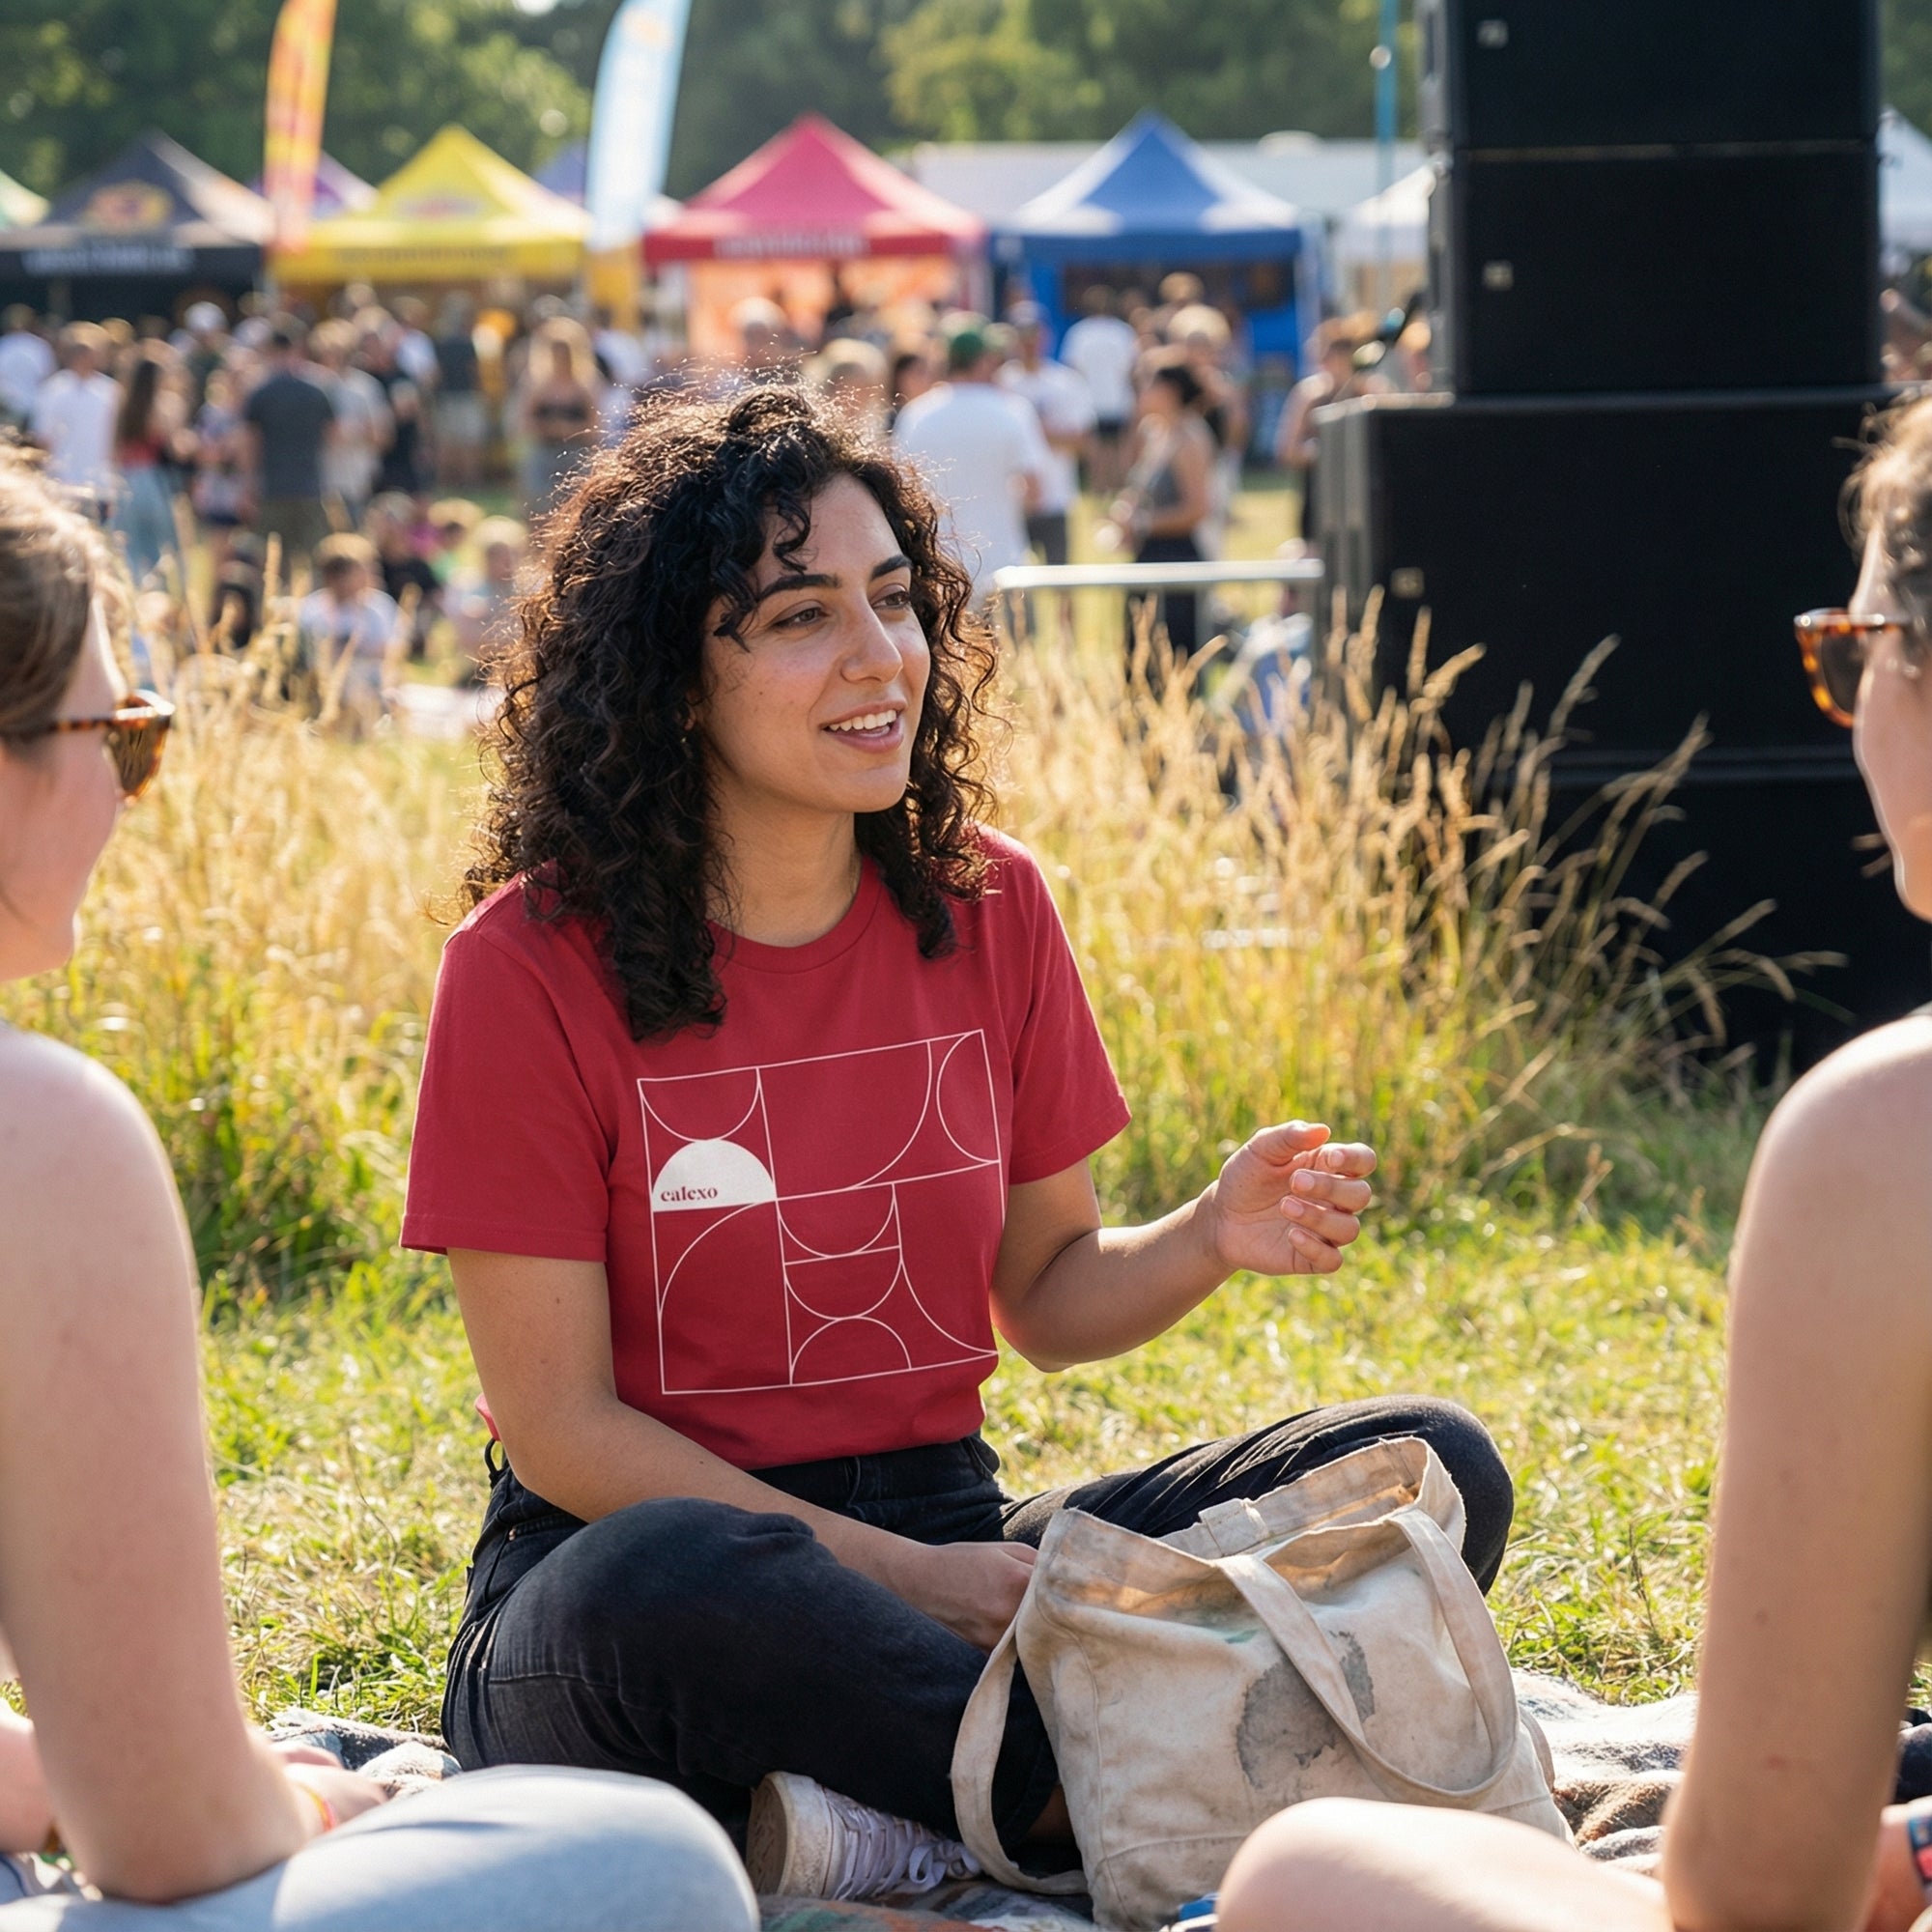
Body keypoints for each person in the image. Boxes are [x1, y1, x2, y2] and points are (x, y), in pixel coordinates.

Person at [400, 385, 1514, 1908]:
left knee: (1423, 1467)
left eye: (895, 599)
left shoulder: (994, 907)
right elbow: (566, 1435)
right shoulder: (526, 967)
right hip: (638, 1585)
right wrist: (915, 1587)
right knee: (667, 1585)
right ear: (671, 678)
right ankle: (1160, 1774)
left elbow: (1046, 1297)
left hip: (958, 1545)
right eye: (799, 617)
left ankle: (946, 1808)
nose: (880, 658)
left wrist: (1203, 1236)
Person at [0, 446, 759, 1932]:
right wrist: (319, 1804)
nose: (130, 792)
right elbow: (171, 1843)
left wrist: (36, 1782)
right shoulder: (41, 1143)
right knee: (648, 1864)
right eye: (124, 734)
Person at [1212, 393, 1932, 1932]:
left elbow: (1755, 1897)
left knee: (1306, 1875)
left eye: (1852, 652)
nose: (1849, 700)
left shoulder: (1888, 1141)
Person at [894, 319, 1052, 605]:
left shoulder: (916, 415)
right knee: (1010, 649)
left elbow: (901, 491)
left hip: (940, 568)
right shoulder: (1013, 411)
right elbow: (1037, 493)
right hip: (1004, 562)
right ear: (984, 360)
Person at [1106, 350, 1216, 667]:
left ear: (1169, 390)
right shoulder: (1157, 433)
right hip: (1152, 559)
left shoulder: (1189, 437)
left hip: (1176, 564)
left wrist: (1141, 524)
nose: (1140, 390)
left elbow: (1197, 509)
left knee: (1172, 664)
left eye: (1149, 382)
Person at [997, 303, 1094, 573]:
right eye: (1022, 334)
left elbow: (1083, 442)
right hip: (1013, 501)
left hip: (1056, 496)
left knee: (1062, 577)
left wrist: (1035, 430)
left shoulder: (1065, 382)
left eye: (1033, 333)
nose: (1028, 342)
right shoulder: (1002, 381)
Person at [1276, 314, 1383, 545]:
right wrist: (1327, 451)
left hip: (1365, 492)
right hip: (1321, 494)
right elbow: (1287, 450)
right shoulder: (1310, 395)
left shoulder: (1373, 392)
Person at [241, 321, 335, 575]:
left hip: (273, 487)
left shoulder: (260, 393)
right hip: (310, 486)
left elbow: (250, 443)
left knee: (272, 563)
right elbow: (331, 435)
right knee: (315, 560)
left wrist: (248, 484)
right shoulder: (316, 391)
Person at [296, 533, 401, 728]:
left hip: (374, 690)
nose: (371, 575)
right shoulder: (311, 611)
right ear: (335, 577)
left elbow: (392, 653)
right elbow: (314, 663)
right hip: (329, 692)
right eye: (363, 570)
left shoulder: (380, 606)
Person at [107, 343, 185, 584]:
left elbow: (114, 450)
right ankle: (159, 599)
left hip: (126, 480)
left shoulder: (122, 403)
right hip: (154, 480)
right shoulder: (166, 404)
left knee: (129, 546)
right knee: (161, 547)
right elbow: (176, 448)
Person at [310, 320, 391, 530]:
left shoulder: (366, 387)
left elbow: (382, 436)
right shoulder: (313, 386)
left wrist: (352, 431)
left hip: (358, 479)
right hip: (320, 480)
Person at [1060, 288, 1139, 495]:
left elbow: (1072, 369)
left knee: (1096, 451)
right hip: (1119, 400)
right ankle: (1119, 490)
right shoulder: (1123, 332)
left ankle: (1100, 490)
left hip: (1090, 401)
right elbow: (1132, 369)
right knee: (1118, 449)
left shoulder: (1079, 332)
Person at [31, 325, 121, 508]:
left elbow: (119, 434)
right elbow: (43, 437)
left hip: (102, 479)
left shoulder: (110, 391)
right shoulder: (53, 389)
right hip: (63, 480)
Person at [516, 320, 599, 518]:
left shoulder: (585, 385)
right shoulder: (536, 384)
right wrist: (549, 428)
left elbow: (595, 425)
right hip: (544, 452)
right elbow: (525, 421)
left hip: (576, 453)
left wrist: (569, 429)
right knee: (540, 507)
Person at [433, 297, 489, 490]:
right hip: (466, 395)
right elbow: (474, 371)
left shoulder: (441, 342)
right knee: (469, 441)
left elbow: (437, 372)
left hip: (447, 396)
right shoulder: (466, 342)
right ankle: (470, 481)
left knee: (449, 442)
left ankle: (446, 482)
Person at [0, 308, 52, 434]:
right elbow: (48, 378)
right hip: (35, 408)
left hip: (10, 409)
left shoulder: (3, 345)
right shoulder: (40, 346)